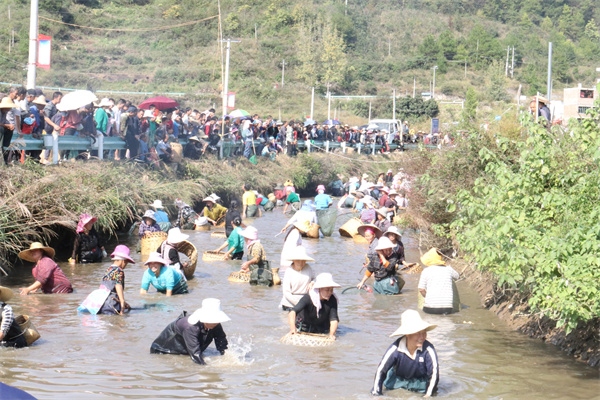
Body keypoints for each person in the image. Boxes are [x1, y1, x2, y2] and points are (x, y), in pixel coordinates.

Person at [371, 309, 439, 397]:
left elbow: (434, 375)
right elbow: (381, 371)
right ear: (407, 334)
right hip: (397, 380)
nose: (422, 337)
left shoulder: (429, 350)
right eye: (418, 333)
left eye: (424, 333)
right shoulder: (395, 348)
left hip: (420, 382)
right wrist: (376, 394)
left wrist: (427, 396)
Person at [150, 298, 229, 365]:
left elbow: (222, 343)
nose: (215, 322)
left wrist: (225, 358)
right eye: (212, 320)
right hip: (164, 352)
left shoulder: (215, 324)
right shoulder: (190, 327)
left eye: (217, 320)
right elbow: (195, 354)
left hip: (187, 349)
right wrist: (207, 369)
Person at [78, 245, 135, 315]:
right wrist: (122, 302)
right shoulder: (119, 271)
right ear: (123, 261)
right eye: (127, 263)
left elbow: (106, 289)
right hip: (112, 304)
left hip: (102, 304)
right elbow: (118, 285)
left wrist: (124, 302)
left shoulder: (108, 270)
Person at [288, 273, 340, 339]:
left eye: (331, 290)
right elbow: (292, 312)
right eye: (327, 290)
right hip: (305, 327)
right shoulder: (308, 298)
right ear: (319, 289)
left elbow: (334, 319)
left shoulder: (332, 299)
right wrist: (293, 328)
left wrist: (332, 334)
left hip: (321, 327)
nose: (330, 293)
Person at [418, 248, 460, 314]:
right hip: (447, 308)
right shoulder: (449, 269)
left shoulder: (426, 271)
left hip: (430, 307)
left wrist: (427, 297)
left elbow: (421, 289)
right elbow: (457, 276)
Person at [280, 246, 316, 311]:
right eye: (298, 260)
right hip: (290, 304)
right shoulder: (289, 271)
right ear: (293, 260)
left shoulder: (308, 268)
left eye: (303, 260)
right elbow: (286, 292)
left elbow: (315, 279)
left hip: (305, 301)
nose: (301, 263)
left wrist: (312, 282)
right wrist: (300, 304)